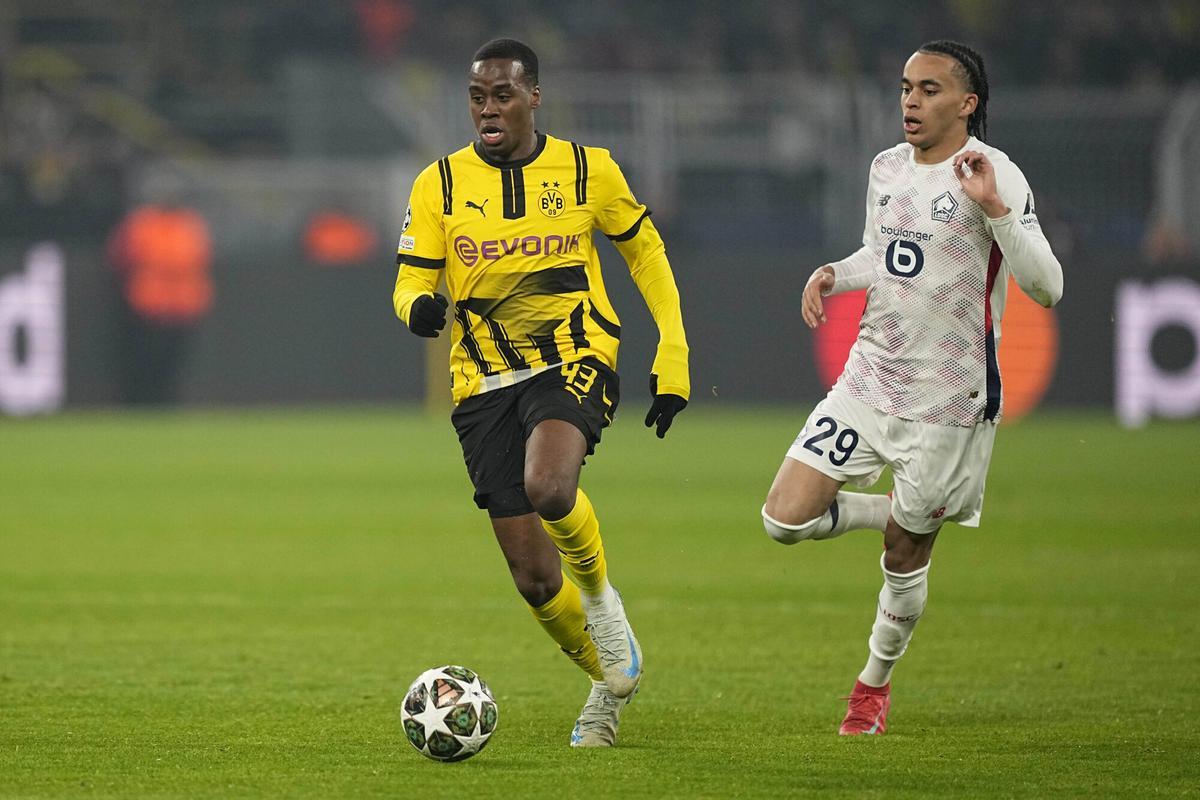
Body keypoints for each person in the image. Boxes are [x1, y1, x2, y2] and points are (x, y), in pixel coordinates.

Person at [392, 38, 689, 747]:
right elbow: (410, 279)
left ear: (534, 98)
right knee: (531, 577)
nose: (487, 109)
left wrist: (673, 353)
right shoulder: (438, 183)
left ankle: (604, 605)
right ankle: (608, 683)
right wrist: (418, 309)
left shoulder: (589, 170)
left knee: (550, 485)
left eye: (501, 95)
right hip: (483, 381)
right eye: (476, 96)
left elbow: (643, 250)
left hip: (574, 355)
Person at [761, 40, 1063, 735]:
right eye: (904, 88)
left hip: (949, 403)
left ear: (968, 103)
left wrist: (992, 209)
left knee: (903, 558)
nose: (910, 102)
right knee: (783, 519)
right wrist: (835, 272)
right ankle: (894, 511)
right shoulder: (887, 167)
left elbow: (1048, 287)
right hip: (869, 378)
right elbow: (886, 254)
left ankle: (872, 688)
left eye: (929, 90)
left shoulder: (996, 174)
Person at [107, 198, 213, 405]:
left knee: (173, 363)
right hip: (149, 306)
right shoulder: (146, 224)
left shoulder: (188, 225)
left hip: (181, 307)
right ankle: (141, 403)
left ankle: (166, 403)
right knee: (145, 361)